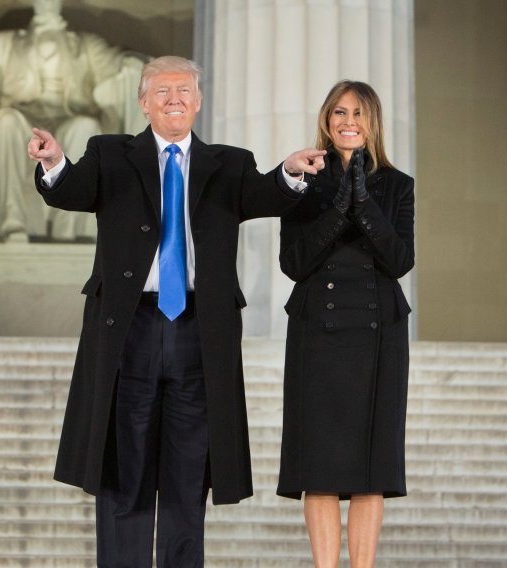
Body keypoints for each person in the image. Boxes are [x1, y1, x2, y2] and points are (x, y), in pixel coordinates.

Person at [27, 55, 326, 567]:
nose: (174, 99)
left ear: (199, 101)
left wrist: (291, 174)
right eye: (162, 91)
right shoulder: (110, 154)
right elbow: (72, 190)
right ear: (144, 103)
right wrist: (53, 162)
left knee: (189, 479)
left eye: (184, 90)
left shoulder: (228, 164)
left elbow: (263, 193)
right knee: (125, 474)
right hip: (130, 331)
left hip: (198, 331)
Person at [277, 80, 415, 567]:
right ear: (326, 120)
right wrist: (338, 207)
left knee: (370, 468)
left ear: (372, 120)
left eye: (357, 112)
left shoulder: (398, 185)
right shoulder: (301, 179)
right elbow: (293, 263)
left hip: (379, 337)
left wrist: (365, 204)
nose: (348, 120)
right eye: (338, 112)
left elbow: (400, 260)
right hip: (319, 335)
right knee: (319, 465)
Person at [0, 0, 146, 246]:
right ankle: (13, 222)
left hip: (68, 116)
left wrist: (131, 62)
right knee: (6, 121)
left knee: (87, 127)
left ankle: (65, 228)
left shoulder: (84, 44)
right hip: (23, 118)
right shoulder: (9, 42)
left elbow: (115, 62)